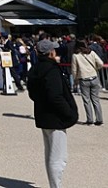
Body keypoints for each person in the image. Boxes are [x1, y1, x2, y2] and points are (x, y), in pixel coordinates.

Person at [27, 39, 78, 188]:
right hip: (56, 117)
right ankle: (56, 185)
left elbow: (33, 93)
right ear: (51, 52)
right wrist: (68, 112)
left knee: (50, 153)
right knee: (58, 157)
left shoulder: (35, 69)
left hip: (43, 114)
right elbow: (55, 96)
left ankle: (54, 184)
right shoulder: (51, 70)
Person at [71, 40, 104, 125]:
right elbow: (100, 63)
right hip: (94, 76)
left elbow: (74, 70)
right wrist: (95, 69)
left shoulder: (75, 56)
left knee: (86, 100)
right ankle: (99, 119)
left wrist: (75, 80)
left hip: (83, 78)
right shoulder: (91, 53)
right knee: (96, 100)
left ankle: (90, 119)